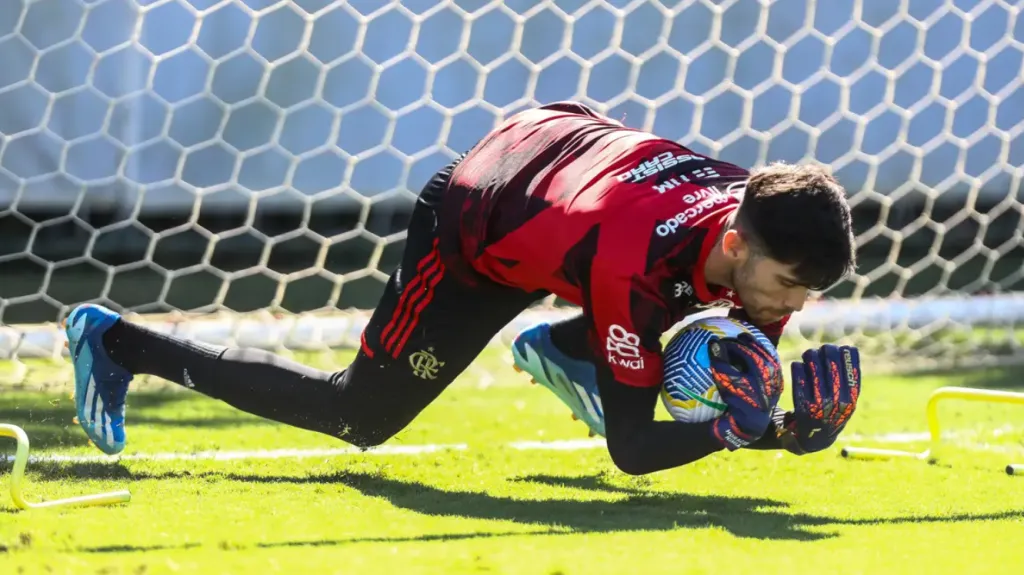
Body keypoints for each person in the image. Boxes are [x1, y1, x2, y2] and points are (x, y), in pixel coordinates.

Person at [64, 101, 861, 475]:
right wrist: (740, 432)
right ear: (734, 243)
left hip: (569, 158)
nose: (791, 310)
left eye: (807, 297)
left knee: (680, 314)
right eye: (789, 287)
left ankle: (561, 347)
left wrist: (788, 429)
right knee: (359, 413)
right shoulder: (635, 267)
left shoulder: (752, 221)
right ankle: (116, 340)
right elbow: (634, 448)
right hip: (482, 216)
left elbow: (743, 356)